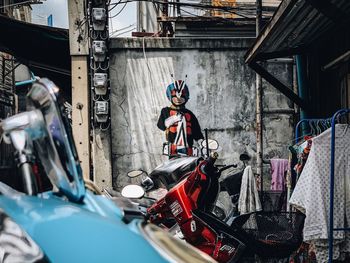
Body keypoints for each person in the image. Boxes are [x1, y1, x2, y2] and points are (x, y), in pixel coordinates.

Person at [157, 80, 204, 157]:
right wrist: (174, 119)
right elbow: (161, 126)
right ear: (170, 97)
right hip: (172, 149)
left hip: (188, 149)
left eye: (182, 96)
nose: (178, 99)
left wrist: (203, 145)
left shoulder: (189, 114)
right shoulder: (166, 111)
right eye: (175, 97)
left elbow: (197, 132)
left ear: (186, 97)